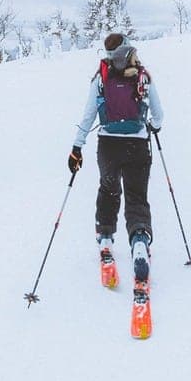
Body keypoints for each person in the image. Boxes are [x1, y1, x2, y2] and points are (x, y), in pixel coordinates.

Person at [68, 32, 164, 284]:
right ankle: (140, 241)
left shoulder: (102, 77)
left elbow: (88, 114)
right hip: (138, 144)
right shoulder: (143, 76)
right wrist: (153, 126)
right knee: (136, 196)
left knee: (109, 190)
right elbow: (159, 114)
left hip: (108, 145)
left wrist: (77, 147)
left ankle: (106, 239)